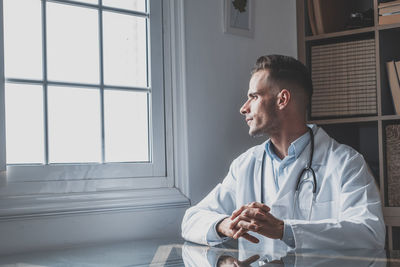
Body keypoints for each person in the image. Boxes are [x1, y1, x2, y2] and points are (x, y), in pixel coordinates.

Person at [181, 55, 385, 249]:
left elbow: (370, 232)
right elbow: (191, 220)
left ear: (282, 99)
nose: (244, 108)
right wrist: (224, 224)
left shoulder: (346, 163)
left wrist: (284, 230)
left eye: (254, 96)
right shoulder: (245, 165)